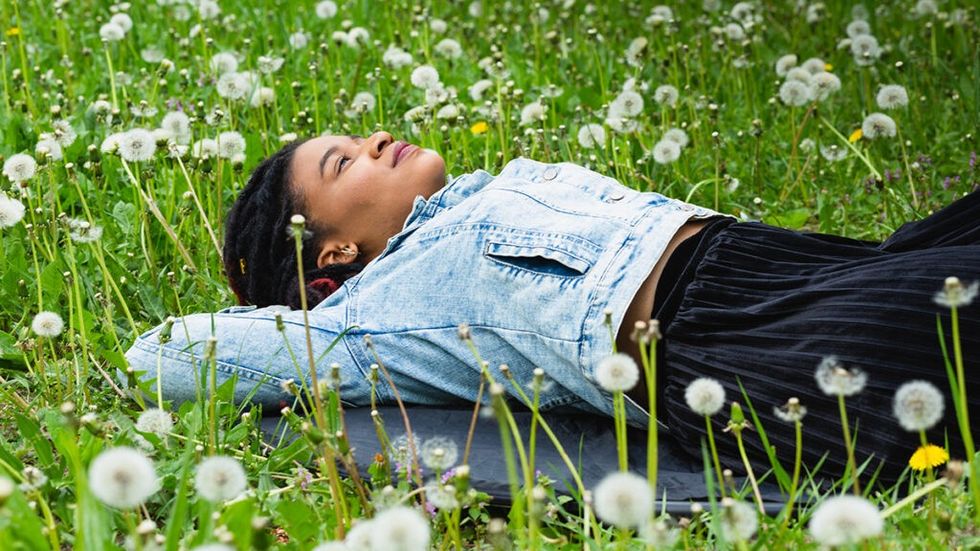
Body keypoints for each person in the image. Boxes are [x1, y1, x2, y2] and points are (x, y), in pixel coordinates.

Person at [125, 131, 979, 485]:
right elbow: (162, 355)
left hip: (780, 261)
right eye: (343, 164)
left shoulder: (474, 197)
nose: (375, 141)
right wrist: (285, 304)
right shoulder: (364, 322)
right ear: (333, 250)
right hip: (739, 337)